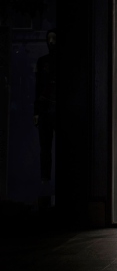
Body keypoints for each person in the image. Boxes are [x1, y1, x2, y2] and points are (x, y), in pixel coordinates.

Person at [33, 29, 57, 185]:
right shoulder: (42, 61)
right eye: (49, 38)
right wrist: (36, 112)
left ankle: (48, 178)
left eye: (54, 38)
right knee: (45, 147)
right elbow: (38, 86)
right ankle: (45, 177)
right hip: (45, 107)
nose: (51, 42)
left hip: (53, 107)